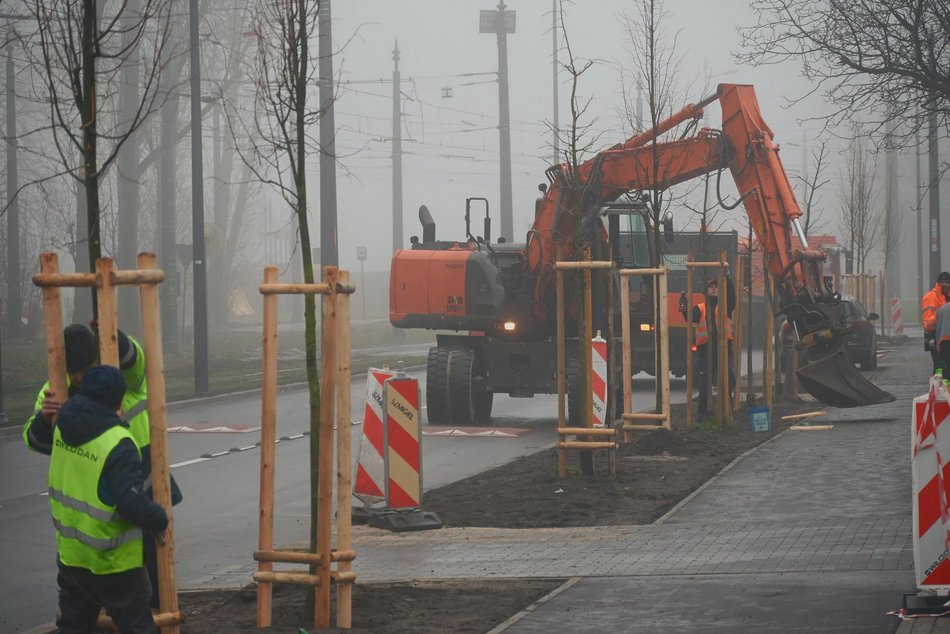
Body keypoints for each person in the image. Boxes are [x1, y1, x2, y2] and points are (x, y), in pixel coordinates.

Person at [23, 323, 181, 607]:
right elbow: (36, 441)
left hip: (143, 489)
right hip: (92, 515)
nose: (80, 376)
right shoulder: (56, 388)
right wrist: (44, 422)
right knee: (104, 597)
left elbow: (137, 365)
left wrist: (115, 337)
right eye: (74, 370)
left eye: (86, 367)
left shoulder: (119, 372)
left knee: (152, 585)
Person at [49, 364, 168, 633]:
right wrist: (159, 519)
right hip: (112, 560)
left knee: (74, 625)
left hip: (72, 555)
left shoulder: (62, 425)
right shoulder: (118, 441)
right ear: (119, 399)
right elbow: (129, 502)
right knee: (138, 626)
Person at [680, 277, 736, 419]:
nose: (714, 289)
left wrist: (727, 280)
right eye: (711, 287)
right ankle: (702, 413)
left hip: (724, 351)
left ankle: (727, 411)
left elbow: (732, 297)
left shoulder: (725, 306)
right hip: (705, 352)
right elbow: (689, 317)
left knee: (727, 382)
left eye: (716, 287)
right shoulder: (700, 308)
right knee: (704, 386)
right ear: (706, 290)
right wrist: (684, 305)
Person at [922, 272, 950, 372]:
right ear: (938, 283)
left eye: (947, 282)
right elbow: (928, 322)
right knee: (939, 364)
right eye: (942, 282)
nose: (945, 284)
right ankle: (938, 385)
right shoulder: (931, 297)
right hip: (934, 334)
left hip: (946, 334)